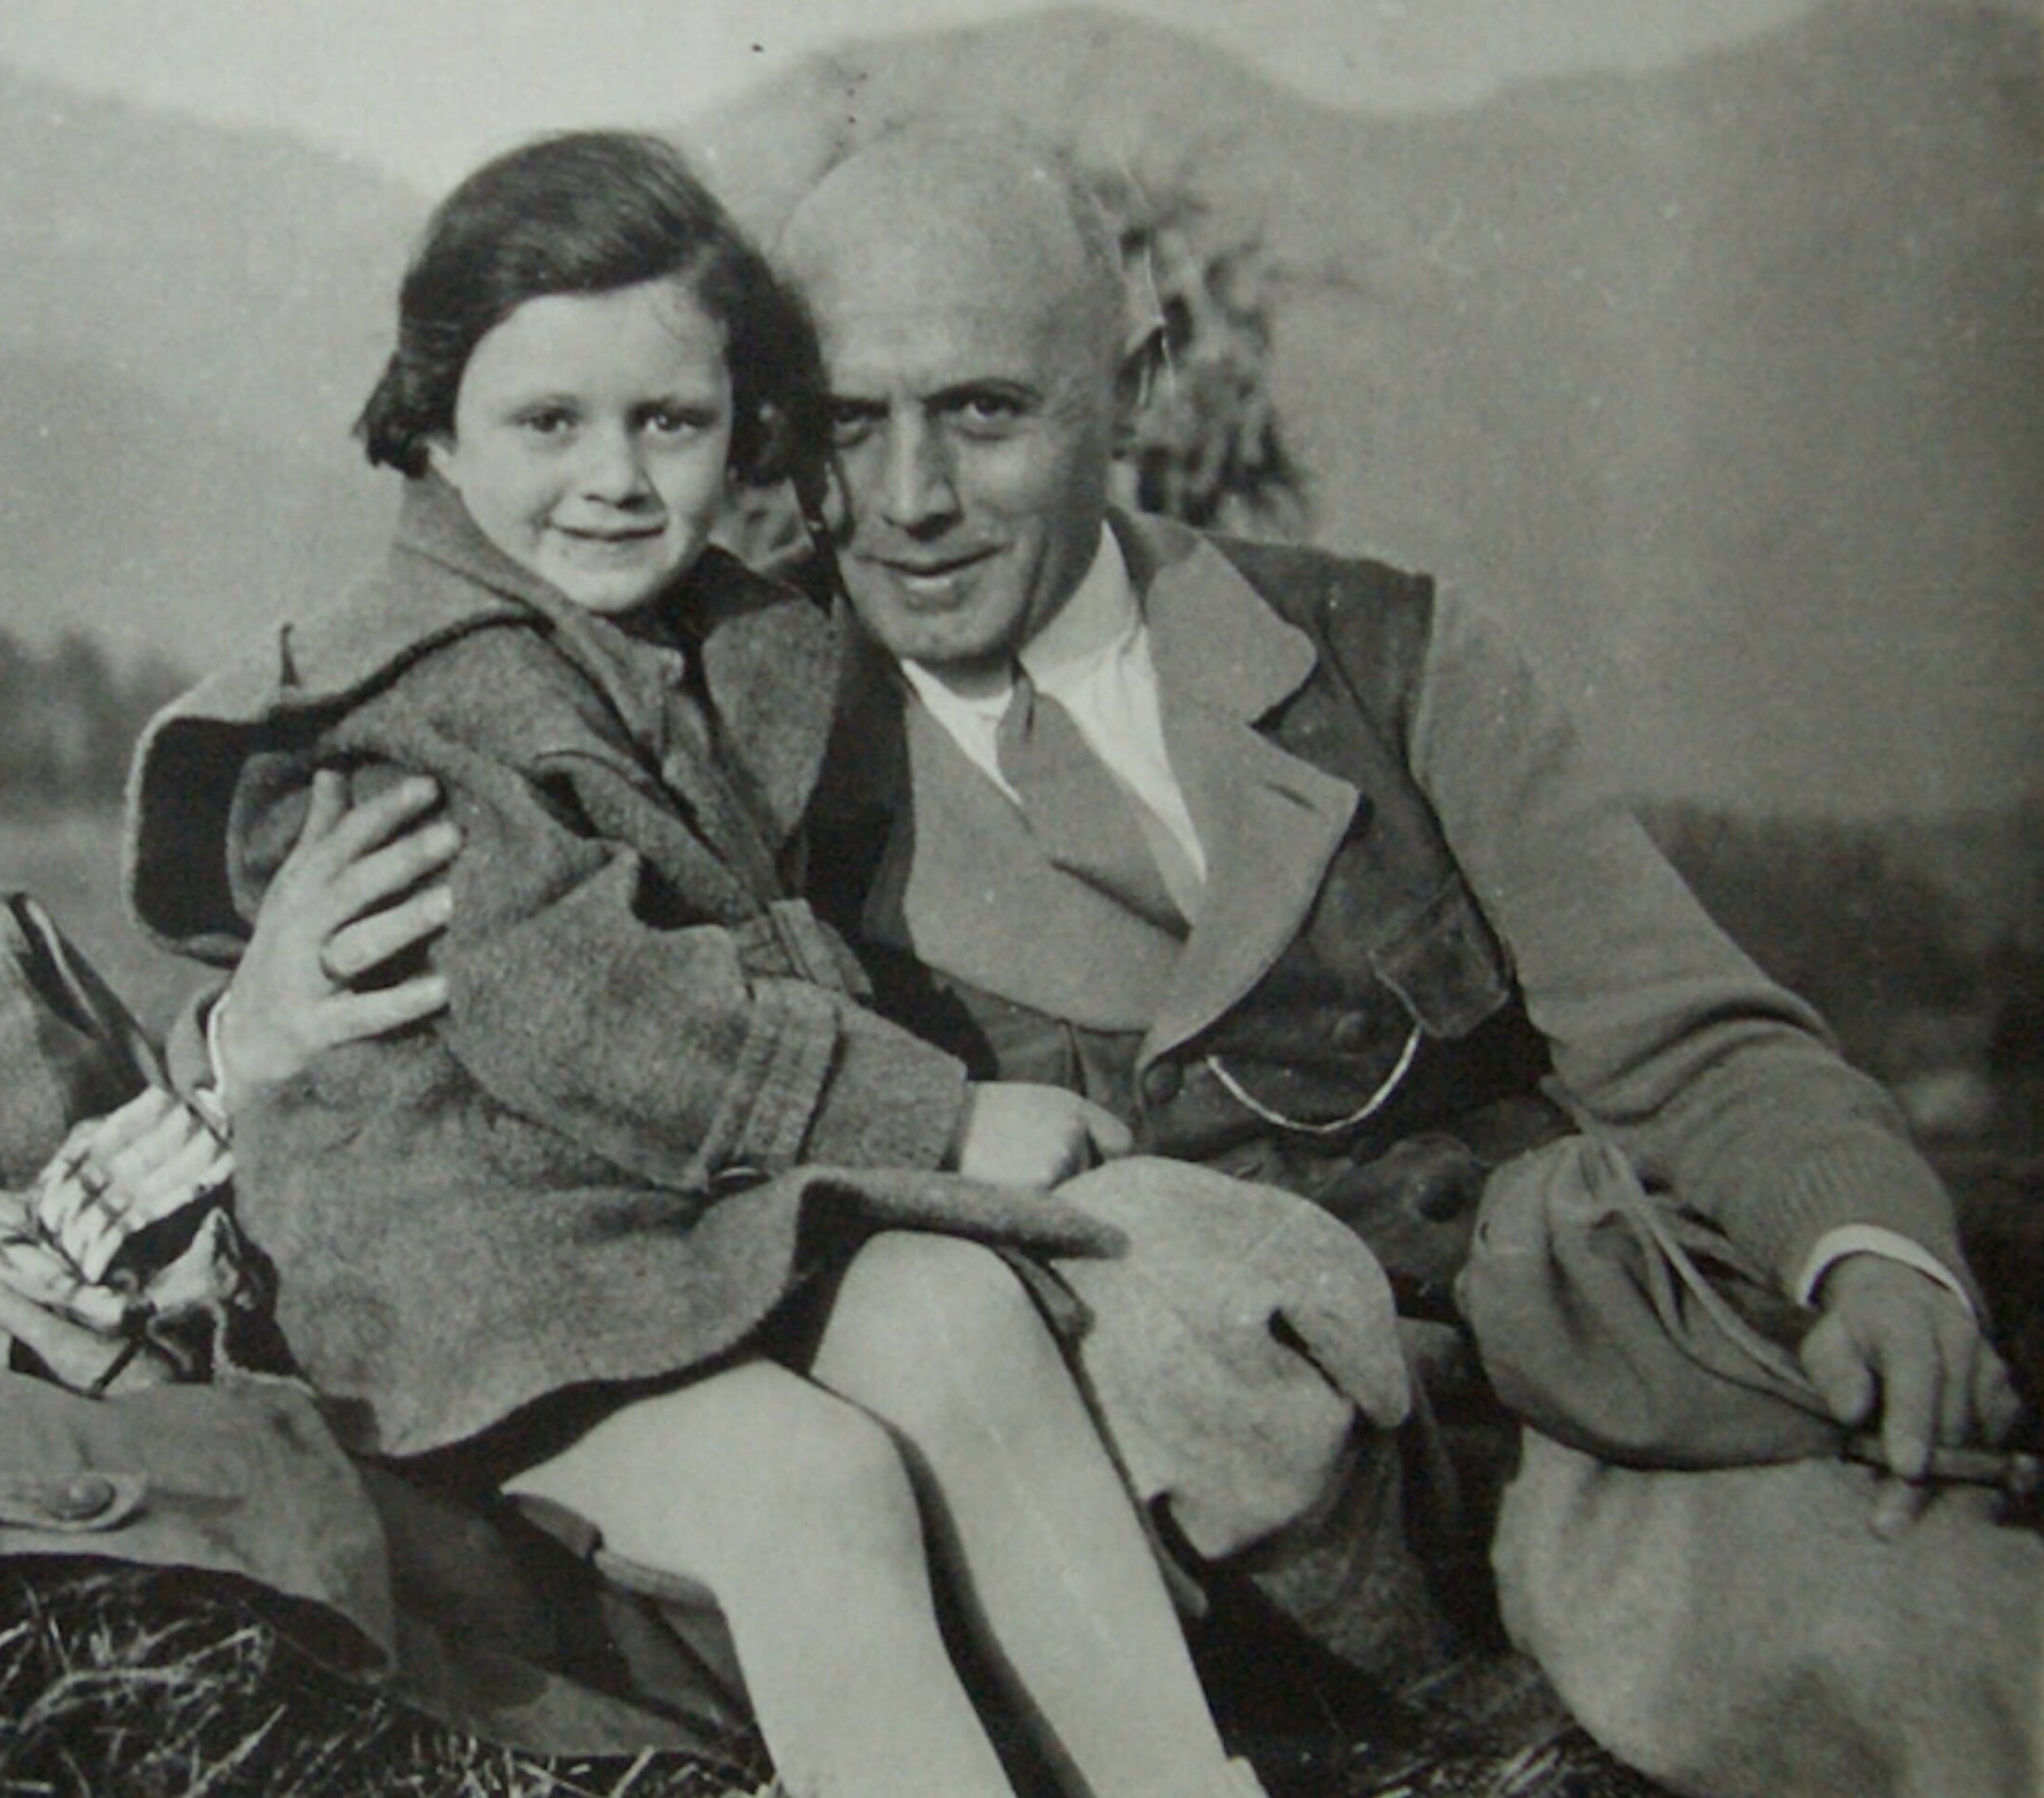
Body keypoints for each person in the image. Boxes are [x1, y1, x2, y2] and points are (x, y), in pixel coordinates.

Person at [229, 129, 2042, 1798]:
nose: (914, 497)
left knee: (1950, 1655)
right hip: (1199, 1525)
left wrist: (1872, 1253)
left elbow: (1693, 1035)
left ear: (1139, 392)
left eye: (988, 412)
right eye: (848, 426)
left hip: (1578, 1428)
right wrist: (253, 1018)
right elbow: (483, 958)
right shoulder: (741, 729)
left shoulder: (1379, 655)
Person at [126, 130, 1269, 1798]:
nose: (613, 478)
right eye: (546, 424)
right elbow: (593, 1019)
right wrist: (935, 1122)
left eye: (670, 421)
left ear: (741, 426)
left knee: (951, 1305)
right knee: (814, 1488)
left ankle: (1174, 1779)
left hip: (655, 1224)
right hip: (478, 1281)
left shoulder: (696, 638)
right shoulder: (443, 691)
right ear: (433, 428)